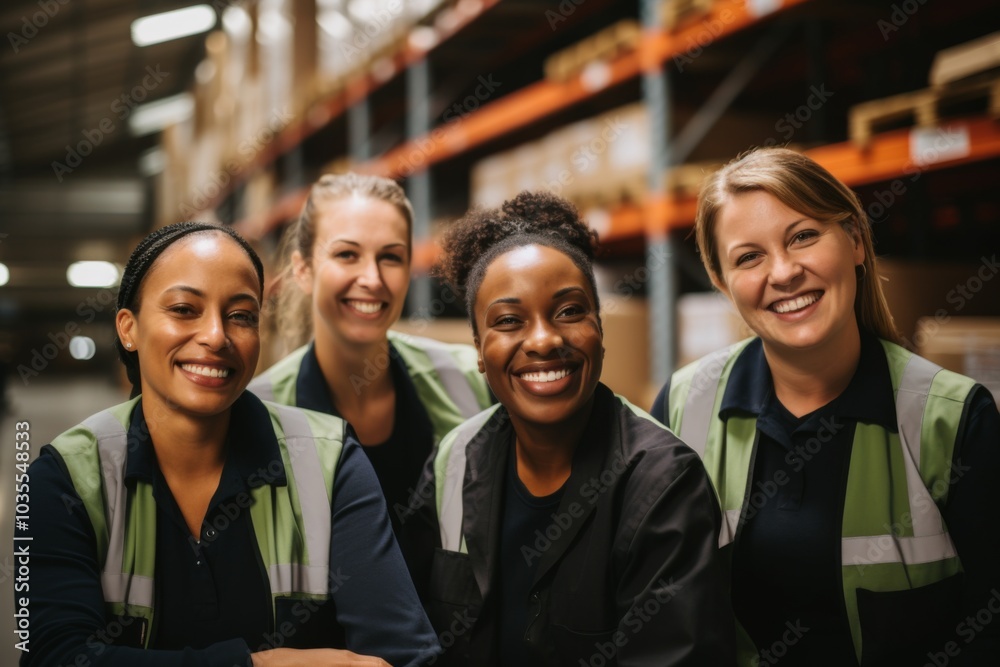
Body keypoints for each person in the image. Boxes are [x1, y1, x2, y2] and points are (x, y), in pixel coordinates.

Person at [22, 222, 439, 666]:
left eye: (241, 316)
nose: (217, 336)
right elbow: (56, 657)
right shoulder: (63, 478)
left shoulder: (329, 459)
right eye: (184, 309)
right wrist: (257, 665)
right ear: (129, 328)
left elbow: (401, 653)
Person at [650, 147, 1000, 666]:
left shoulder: (952, 419)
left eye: (803, 236)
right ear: (725, 285)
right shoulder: (683, 406)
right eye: (750, 257)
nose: (785, 272)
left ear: (856, 242)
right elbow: (655, 612)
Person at [402, 191, 736, 666]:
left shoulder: (663, 481)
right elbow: (414, 635)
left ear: (599, 329)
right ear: (478, 349)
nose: (544, 340)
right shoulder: (453, 462)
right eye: (510, 320)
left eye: (569, 311)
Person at [249, 174, 492, 534]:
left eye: (390, 257)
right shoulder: (257, 411)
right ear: (303, 270)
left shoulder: (470, 378)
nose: (372, 279)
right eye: (347, 254)